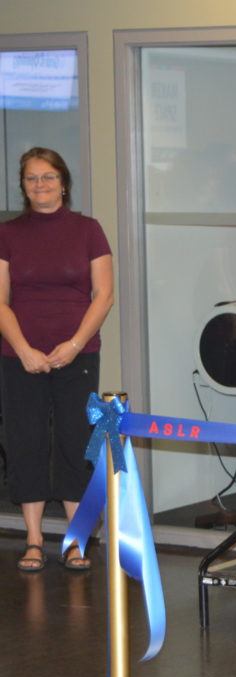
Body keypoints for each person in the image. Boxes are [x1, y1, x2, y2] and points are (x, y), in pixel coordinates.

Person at [0, 147, 114, 573]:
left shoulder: (88, 230)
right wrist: (25, 350)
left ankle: (74, 539)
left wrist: (74, 343)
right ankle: (32, 539)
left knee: (74, 443)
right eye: (32, 178)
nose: (40, 185)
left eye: (48, 177)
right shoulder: (8, 234)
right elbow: (1, 301)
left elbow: (104, 295)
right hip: (19, 357)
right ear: (23, 185)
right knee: (25, 441)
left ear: (63, 183)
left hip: (78, 354)